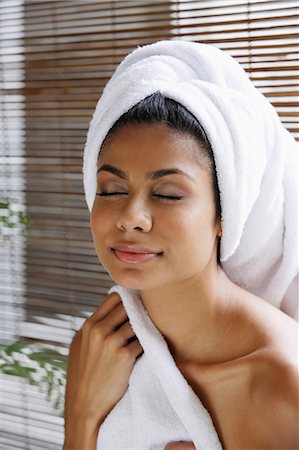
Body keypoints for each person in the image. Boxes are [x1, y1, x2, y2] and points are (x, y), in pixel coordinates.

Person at [63, 41, 298, 449]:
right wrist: (81, 417)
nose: (131, 217)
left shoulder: (275, 383)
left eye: (169, 194)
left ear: (226, 214)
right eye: (112, 189)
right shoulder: (104, 349)